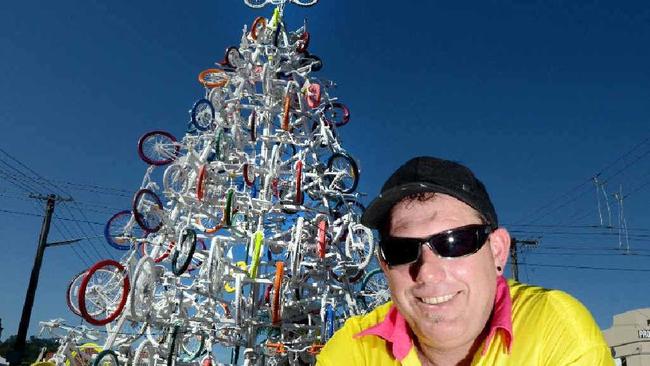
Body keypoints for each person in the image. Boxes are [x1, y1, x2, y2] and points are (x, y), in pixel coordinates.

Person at [316, 156, 613, 365]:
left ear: (497, 251)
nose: (428, 273)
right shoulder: (355, 349)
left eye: (455, 242)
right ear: (384, 265)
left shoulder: (554, 329)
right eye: (402, 250)